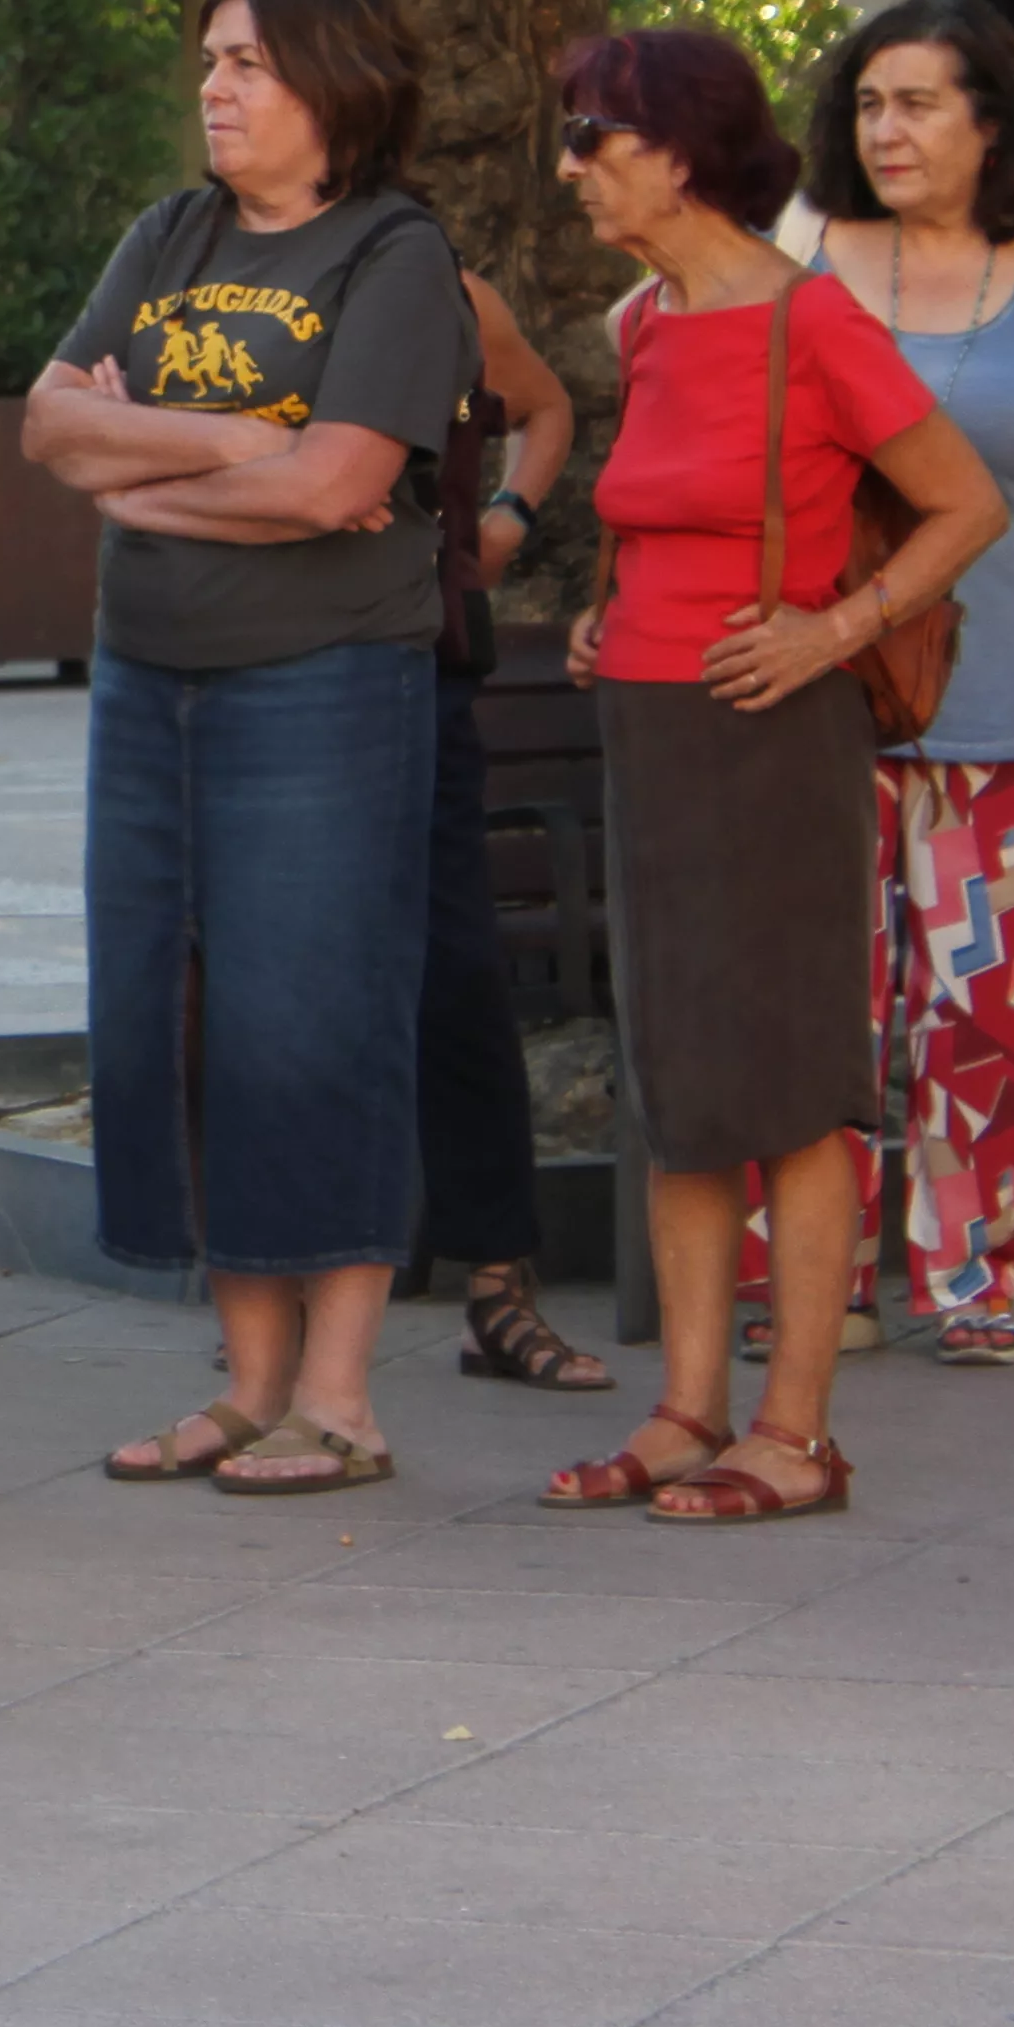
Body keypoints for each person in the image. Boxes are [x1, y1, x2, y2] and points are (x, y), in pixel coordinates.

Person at [28, 0, 472, 1497]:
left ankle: (338, 1398)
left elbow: (343, 485)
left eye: (249, 67)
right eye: (210, 59)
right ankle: (248, 1384)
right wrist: (228, 440)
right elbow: (45, 424)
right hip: (152, 680)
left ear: (336, 85)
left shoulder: (394, 253)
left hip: (326, 686)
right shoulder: (171, 233)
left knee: (318, 1015)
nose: (214, 89)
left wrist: (139, 477)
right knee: (183, 1015)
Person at [547, 25, 1002, 1526]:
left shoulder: (814, 325)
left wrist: (836, 631)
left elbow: (963, 504)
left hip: (771, 735)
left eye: (592, 138)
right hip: (656, 727)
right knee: (682, 1082)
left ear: (676, 155)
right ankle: (688, 1409)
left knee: (795, 1081)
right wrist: (610, 611)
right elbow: (664, 503)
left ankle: (797, 1430)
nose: (571, 167)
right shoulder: (643, 324)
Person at [770, 0, 1014, 1363]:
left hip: (1010, 700)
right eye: (870, 102)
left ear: (992, 121)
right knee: (821, 1001)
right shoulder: (806, 252)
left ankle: (970, 1276)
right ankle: (814, 1282)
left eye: (921, 102)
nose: (887, 129)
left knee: (988, 1007)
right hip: (823, 693)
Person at [426, 266, 606, 1392]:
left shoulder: (450, 289)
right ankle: (279, 1297)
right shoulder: (205, 270)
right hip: (263, 665)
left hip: (420, 658)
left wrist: (505, 516)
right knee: (284, 984)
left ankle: (497, 1286)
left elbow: (546, 409)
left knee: (458, 973)